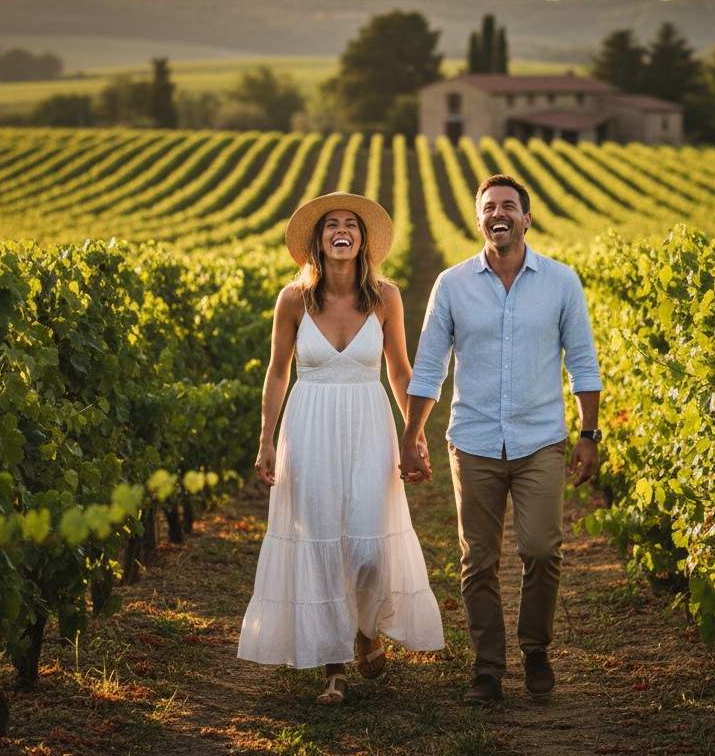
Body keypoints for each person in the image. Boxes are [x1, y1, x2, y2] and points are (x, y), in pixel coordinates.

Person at [399, 173, 602, 703]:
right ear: (479, 219)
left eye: (508, 206)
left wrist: (589, 433)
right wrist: (411, 437)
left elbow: (583, 364)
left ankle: (535, 648)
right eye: (489, 207)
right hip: (474, 441)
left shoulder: (561, 282)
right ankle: (488, 669)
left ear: (526, 218)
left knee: (542, 548)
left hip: (541, 440)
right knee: (478, 561)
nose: (499, 214)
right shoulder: (451, 284)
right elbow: (428, 370)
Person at [237, 192, 444, 703]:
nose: (341, 230)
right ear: (318, 239)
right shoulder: (292, 300)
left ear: (363, 239)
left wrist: (413, 435)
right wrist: (265, 440)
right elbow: (277, 371)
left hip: (368, 422)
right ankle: (334, 668)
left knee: (371, 545)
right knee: (321, 541)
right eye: (332, 224)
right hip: (308, 425)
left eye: (351, 223)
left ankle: (366, 628)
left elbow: (399, 369)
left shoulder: (386, 298)